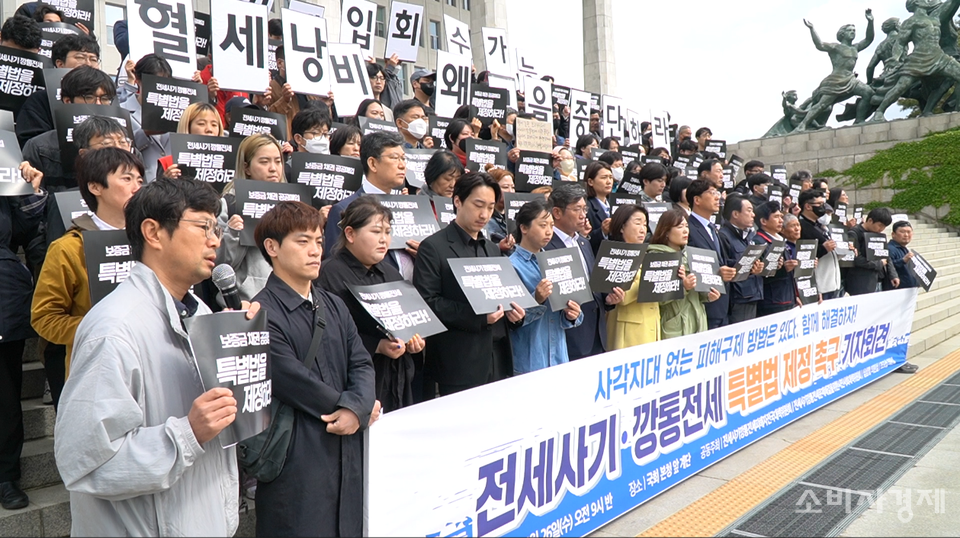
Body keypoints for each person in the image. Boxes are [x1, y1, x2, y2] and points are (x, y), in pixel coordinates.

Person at [54, 178, 259, 535]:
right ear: (153, 232)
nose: (215, 240)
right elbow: (86, 464)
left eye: (216, 228)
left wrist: (241, 352)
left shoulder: (203, 315)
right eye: (203, 227)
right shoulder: (113, 328)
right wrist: (188, 433)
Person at [252, 200, 376, 536]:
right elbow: (291, 378)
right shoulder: (260, 313)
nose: (315, 250)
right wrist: (351, 409)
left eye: (319, 241)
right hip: (296, 456)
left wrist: (358, 408)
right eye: (302, 241)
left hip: (347, 447)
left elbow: (361, 361)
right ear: (272, 248)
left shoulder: (332, 304)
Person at [30, 148, 142, 410]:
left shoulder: (152, 240)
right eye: (126, 178)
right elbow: (44, 317)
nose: (137, 187)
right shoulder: (69, 248)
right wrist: (98, 328)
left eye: (140, 179)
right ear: (95, 187)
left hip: (150, 364)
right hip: (96, 371)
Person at [413, 172, 526, 395]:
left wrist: (515, 316)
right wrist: (479, 318)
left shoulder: (492, 249)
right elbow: (428, 302)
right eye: (478, 205)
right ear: (457, 201)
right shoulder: (433, 247)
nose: (484, 214)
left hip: (498, 358)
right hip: (458, 363)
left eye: (491, 207)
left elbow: (502, 297)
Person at [317, 197, 422, 411]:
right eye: (376, 232)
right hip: (353, 384)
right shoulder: (328, 274)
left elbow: (408, 321)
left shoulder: (391, 273)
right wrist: (376, 346)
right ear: (350, 234)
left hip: (396, 378)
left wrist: (415, 340)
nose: (384, 239)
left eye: (387, 232)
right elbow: (326, 335)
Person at [0, 162, 45, 510]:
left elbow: (28, 227)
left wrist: (30, 188)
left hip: (4, 294)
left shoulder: (3, 169)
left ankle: (6, 476)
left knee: (5, 391)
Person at [323, 133, 417, 280]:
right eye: (394, 158)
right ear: (372, 164)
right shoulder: (344, 209)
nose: (402, 165)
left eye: (403, 158)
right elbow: (335, 269)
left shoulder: (411, 207)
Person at [547, 183, 624, 360]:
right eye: (577, 209)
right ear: (557, 212)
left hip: (597, 333)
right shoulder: (547, 247)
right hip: (570, 336)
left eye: (585, 209)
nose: (583, 215)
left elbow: (593, 286)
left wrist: (608, 299)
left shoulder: (583, 242)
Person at [508, 199, 582, 373]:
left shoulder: (558, 261)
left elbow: (573, 315)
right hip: (530, 360)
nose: (549, 231)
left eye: (551, 225)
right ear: (524, 228)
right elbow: (513, 320)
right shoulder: (511, 266)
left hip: (559, 356)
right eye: (543, 225)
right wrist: (536, 299)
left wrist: (573, 314)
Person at [21, 66, 117, 192]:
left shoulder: (124, 145)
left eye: (105, 98)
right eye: (89, 97)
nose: (98, 104)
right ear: (67, 100)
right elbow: (31, 199)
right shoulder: (39, 147)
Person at [217, 134, 285, 303]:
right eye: (264, 162)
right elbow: (220, 265)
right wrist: (233, 234)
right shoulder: (229, 204)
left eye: (278, 161)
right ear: (246, 168)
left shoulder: (292, 204)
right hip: (248, 301)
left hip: (288, 300)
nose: (273, 168)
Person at [15, 34, 101, 147]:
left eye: (93, 59)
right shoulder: (42, 99)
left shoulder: (108, 98)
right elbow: (30, 143)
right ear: (60, 63)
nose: (88, 64)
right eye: (80, 57)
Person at [648, 209, 720, 339]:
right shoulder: (657, 257)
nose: (686, 231)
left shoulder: (692, 255)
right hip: (674, 326)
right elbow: (656, 299)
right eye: (680, 227)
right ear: (666, 231)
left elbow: (697, 294)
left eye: (686, 226)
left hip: (698, 322)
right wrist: (683, 287)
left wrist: (708, 295)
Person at [605, 205, 662, 348]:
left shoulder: (646, 254)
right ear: (622, 227)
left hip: (651, 324)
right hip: (629, 330)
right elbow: (622, 295)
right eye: (638, 223)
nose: (643, 229)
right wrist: (652, 278)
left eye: (645, 225)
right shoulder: (614, 255)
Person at [686, 179, 737, 328]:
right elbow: (688, 263)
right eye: (712, 193)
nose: (717, 197)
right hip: (704, 304)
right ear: (697, 200)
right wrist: (717, 272)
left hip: (722, 304)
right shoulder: (687, 227)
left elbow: (722, 261)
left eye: (718, 193)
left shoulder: (713, 228)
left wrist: (749, 266)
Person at [118, 54, 173, 183]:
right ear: (138, 80)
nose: (159, 88)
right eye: (154, 82)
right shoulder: (121, 111)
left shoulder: (177, 111)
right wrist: (145, 133)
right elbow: (117, 149)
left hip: (172, 186)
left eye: (164, 83)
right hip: (141, 184)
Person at [719, 195, 765, 323]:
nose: (753, 215)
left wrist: (758, 267)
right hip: (738, 298)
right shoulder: (723, 236)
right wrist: (748, 268)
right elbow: (725, 266)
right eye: (749, 211)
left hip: (754, 294)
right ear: (735, 214)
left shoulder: (750, 235)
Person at [753, 201, 799, 316]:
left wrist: (795, 296)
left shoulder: (780, 239)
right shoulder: (759, 242)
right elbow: (759, 275)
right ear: (763, 221)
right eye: (776, 217)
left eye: (781, 217)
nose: (781, 221)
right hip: (772, 302)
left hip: (787, 297)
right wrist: (782, 269)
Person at [159, 102, 225, 179]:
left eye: (214, 125)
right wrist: (166, 181)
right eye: (201, 124)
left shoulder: (230, 164)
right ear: (187, 126)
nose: (209, 129)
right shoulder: (168, 164)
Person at [798, 189, 842, 299]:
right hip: (820, 285)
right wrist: (823, 249)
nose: (823, 207)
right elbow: (802, 255)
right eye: (819, 204)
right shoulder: (801, 227)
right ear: (808, 206)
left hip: (833, 283)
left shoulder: (820, 226)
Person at [846, 207, 897, 295]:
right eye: (880, 225)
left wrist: (893, 275)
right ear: (870, 220)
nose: (881, 229)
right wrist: (878, 264)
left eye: (884, 227)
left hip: (879, 279)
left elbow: (886, 255)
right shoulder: (854, 233)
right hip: (861, 282)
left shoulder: (878, 234)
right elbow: (854, 258)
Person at [483, 166, 517, 253]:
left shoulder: (517, 215)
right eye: (505, 187)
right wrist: (498, 247)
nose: (511, 191)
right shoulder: (485, 218)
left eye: (513, 187)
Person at [585, 161, 614, 254]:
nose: (609, 181)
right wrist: (602, 232)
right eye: (604, 177)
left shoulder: (615, 204)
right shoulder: (586, 207)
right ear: (590, 182)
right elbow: (583, 239)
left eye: (611, 177)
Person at [886, 220, 917, 290]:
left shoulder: (903, 248)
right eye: (902, 232)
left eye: (909, 232)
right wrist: (902, 260)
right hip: (897, 290)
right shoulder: (890, 249)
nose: (906, 235)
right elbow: (888, 267)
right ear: (893, 234)